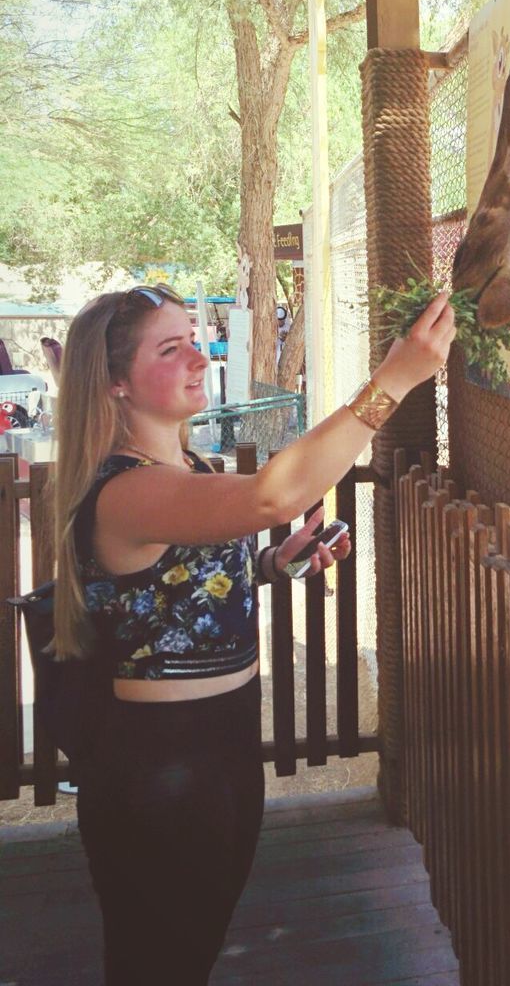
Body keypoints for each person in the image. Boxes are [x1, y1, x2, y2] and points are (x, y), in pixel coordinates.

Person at [51, 281, 455, 986]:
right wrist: (395, 379)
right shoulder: (126, 489)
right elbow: (275, 493)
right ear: (114, 382)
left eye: (196, 339)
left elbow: (184, 584)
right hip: (160, 765)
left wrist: (273, 562)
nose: (198, 358)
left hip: (223, 742)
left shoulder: (187, 468)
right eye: (170, 348)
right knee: (159, 960)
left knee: (193, 945)